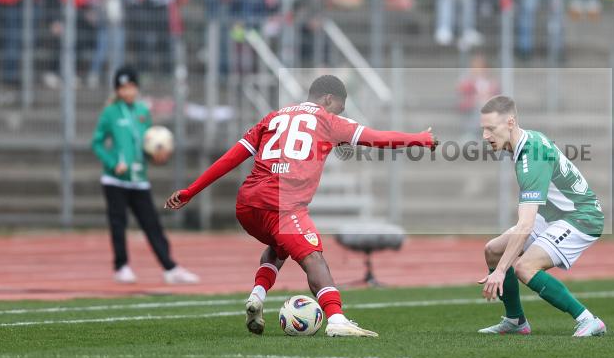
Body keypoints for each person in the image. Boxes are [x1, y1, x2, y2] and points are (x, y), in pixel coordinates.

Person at [164, 75, 438, 337]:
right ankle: (337, 319)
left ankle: (257, 297)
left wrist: (191, 191)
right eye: (340, 107)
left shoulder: (274, 116)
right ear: (329, 99)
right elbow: (377, 138)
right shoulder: (330, 121)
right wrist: (421, 140)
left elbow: (231, 158)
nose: (341, 113)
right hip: (282, 205)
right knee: (313, 257)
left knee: (280, 246)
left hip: (247, 205)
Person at [477, 95, 607, 338]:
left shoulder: (531, 156)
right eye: (483, 129)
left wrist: (500, 271)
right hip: (554, 215)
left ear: (510, 123)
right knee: (493, 250)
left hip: (580, 217)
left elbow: (525, 224)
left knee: (524, 267)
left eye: (490, 129)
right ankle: (516, 321)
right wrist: (500, 263)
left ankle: (588, 319)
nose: (485, 136)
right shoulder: (527, 141)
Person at [92, 67, 200, 285]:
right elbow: (96, 142)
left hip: (139, 179)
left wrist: (156, 156)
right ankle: (121, 266)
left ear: (137, 87)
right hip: (115, 180)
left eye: (131, 86)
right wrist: (113, 164)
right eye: (122, 88)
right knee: (118, 223)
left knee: (152, 224)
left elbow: (146, 143)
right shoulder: (110, 112)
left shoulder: (142, 110)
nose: (127, 91)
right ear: (117, 90)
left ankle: (170, 267)